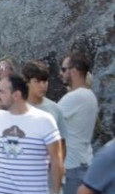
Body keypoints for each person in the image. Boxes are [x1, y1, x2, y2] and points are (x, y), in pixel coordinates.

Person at [0, 75, 64, 194]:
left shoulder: (44, 120)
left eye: (2, 92)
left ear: (16, 95)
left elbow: (56, 160)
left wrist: (56, 191)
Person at [58, 54, 98, 194]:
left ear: (73, 71)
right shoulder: (89, 95)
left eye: (63, 69)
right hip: (85, 162)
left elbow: (48, 121)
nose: (60, 73)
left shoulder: (75, 97)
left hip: (72, 167)